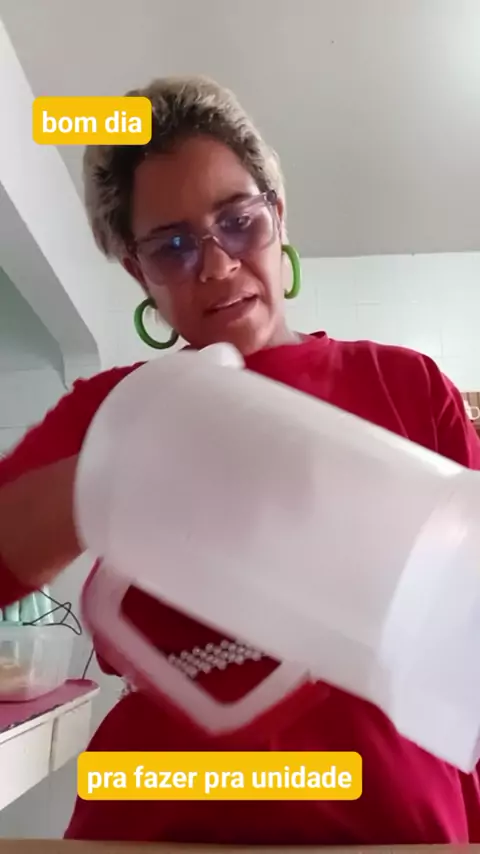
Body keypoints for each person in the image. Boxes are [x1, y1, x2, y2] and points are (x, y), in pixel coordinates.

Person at [1, 75, 480, 844]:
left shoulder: (406, 384)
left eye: (239, 222)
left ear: (278, 216)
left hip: (393, 824)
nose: (218, 266)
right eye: (173, 246)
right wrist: (98, 480)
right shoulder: (110, 407)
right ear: (138, 273)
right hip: (162, 813)